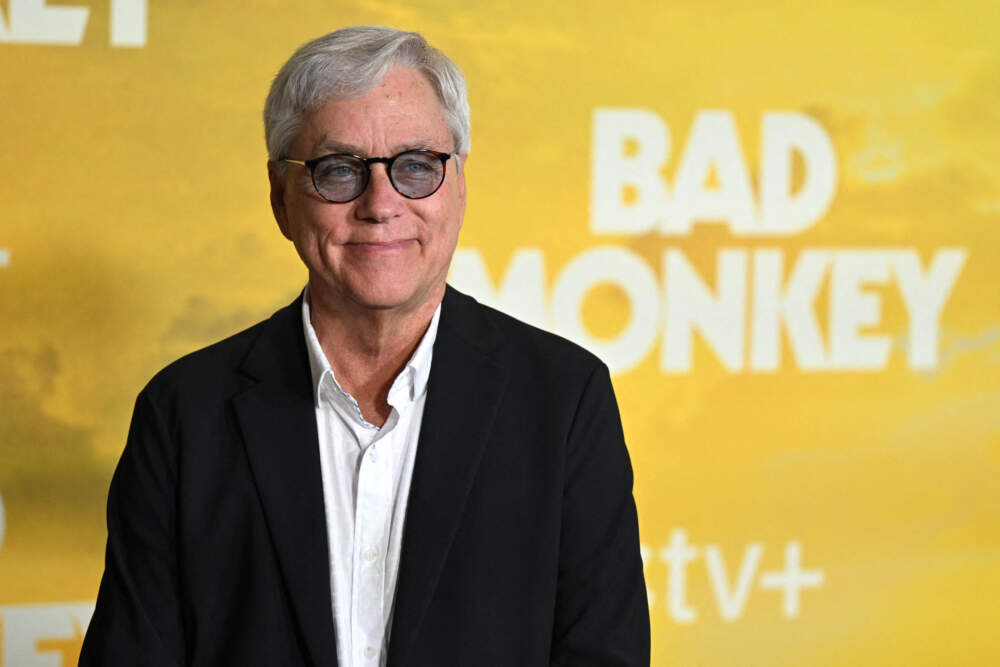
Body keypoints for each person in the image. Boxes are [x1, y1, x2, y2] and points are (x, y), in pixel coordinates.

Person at [80, 26, 649, 666]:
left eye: (415, 166)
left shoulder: (564, 399)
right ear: (280, 197)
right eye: (338, 170)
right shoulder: (185, 414)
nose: (381, 205)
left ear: (459, 182)